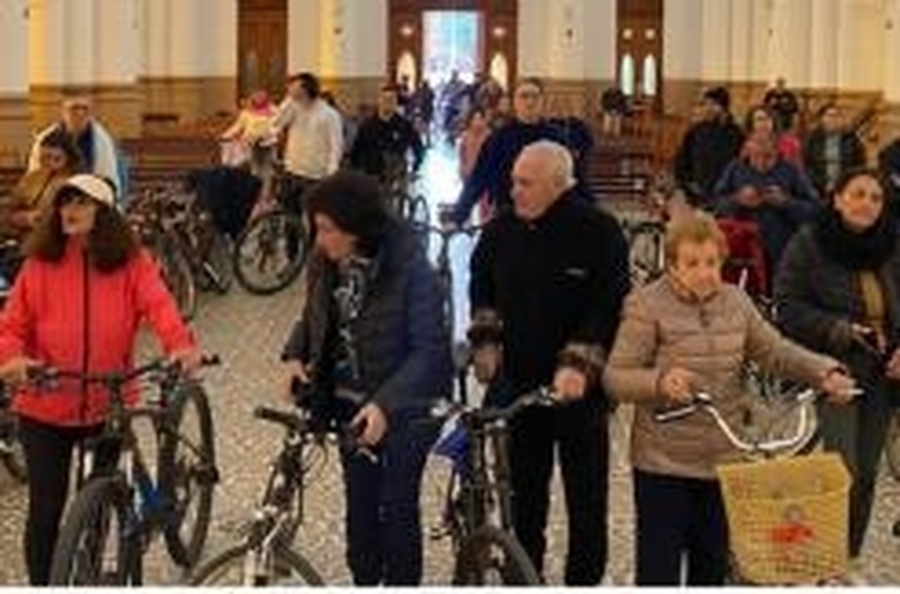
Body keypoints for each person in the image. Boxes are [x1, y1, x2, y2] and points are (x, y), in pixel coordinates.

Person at [602, 211, 857, 586]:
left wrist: (825, 372)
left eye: (712, 262)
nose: (705, 273)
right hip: (664, 462)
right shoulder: (647, 306)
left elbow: (775, 351)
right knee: (659, 572)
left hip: (725, 461)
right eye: (692, 263)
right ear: (672, 265)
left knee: (711, 567)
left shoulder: (736, 302)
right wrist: (659, 382)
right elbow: (616, 377)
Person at [0, 173, 200, 585]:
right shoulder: (39, 264)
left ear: (104, 212)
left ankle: (88, 574)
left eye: (81, 202)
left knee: (97, 504)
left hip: (106, 401)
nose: (69, 210)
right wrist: (13, 359)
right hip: (45, 401)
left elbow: (159, 305)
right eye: (64, 203)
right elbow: (11, 325)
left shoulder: (132, 263)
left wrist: (179, 344)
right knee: (45, 509)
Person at [467, 140, 630, 584]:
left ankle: (583, 582)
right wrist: (485, 340)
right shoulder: (502, 228)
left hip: (580, 392)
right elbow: (480, 283)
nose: (514, 190)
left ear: (559, 185)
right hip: (519, 386)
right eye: (514, 181)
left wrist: (579, 362)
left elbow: (609, 304)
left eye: (525, 183)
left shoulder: (599, 231)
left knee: (587, 501)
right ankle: (526, 577)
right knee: (524, 497)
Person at [280, 171, 452, 585]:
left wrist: (384, 404)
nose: (319, 240)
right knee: (360, 504)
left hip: (407, 407)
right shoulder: (326, 263)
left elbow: (429, 351)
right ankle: (365, 580)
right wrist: (293, 355)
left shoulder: (412, 270)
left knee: (396, 506)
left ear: (358, 227)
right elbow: (314, 316)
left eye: (327, 229)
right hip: (349, 402)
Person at [774, 168, 899, 579]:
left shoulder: (892, 242)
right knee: (840, 468)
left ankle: (844, 557)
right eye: (858, 194)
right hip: (834, 368)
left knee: (866, 472)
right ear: (838, 198)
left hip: (885, 372)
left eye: (875, 198)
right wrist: (841, 330)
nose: (867, 204)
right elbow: (788, 306)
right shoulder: (810, 243)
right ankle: (820, 556)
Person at [451, 78, 590, 225]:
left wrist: (591, 211)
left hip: (550, 215)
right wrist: (459, 214)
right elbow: (478, 178)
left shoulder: (557, 137)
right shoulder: (499, 138)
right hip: (509, 214)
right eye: (524, 96)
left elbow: (575, 176)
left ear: (543, 101)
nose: (530, 102)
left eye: (535, 96)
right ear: (514, 102)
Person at [714, 135, 820, 280]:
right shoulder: (734, 169)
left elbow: (814, 210)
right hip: (743, 251)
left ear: (777, 153)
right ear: (748, 151)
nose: (761, 163)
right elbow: (716, 205)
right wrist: (738, 200)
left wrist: (785, 202)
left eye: (767, 157)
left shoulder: (791, 170)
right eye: (755, 157)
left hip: (783, 249)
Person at [270, 72, 343, 212]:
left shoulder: (329, 114)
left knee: (311, 214)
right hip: (292, 171)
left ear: (306, 89)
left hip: (316, 175)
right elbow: (275, 123)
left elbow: (336, 146)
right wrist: (289, 100)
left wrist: (331, 175)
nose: (290, 90)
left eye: (294, 87)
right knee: (288, 213)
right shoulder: (294, 108)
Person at [27, 95, 123, 196]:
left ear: (91, 113)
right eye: (74, 108)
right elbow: (34, 176)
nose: (80, 113)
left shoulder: (103, 141)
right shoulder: (45, 138)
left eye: (85, 109)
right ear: (63, 112)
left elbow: (107, 177)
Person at [1, 129, 83, 240]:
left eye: (57, 159)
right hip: (23, 239)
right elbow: (9, 209)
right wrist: (23, 218)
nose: (50, 164)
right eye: (45, 158)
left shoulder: (78, 182)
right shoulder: (32, 178)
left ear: (69, 158)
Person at [673, 86, 745, 207]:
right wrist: (688, 185)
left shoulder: (736, 134)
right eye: (705, 105)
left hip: (725, 197)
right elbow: (681, 162)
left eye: (710, 104)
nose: (706, 109)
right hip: (697, 195)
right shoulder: (695, 131)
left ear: (722, 107)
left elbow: (741, 165)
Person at [348, 84, 425, 183]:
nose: (387, 102)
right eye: (384, 99)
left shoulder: (404, 125)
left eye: (391, 100)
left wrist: (415, 168)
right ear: (379, 101)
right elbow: (356, 152)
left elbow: (418, 147)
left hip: (396, 178)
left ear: (396, 103)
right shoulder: (367, 126)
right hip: (371, 178)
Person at [804, 103, 867, 199]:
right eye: (829, 115)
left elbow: (860, 164)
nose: (833, 119)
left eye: (837, 116)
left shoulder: (851, 139)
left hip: (845, 186)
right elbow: (807, 165)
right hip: (820, 187)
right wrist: (816, 185)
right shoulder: (813, 139)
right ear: (821, 119)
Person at [743, 104, 803, 170]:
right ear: (752, 124)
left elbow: (798, 170)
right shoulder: (746, 150)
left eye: (768, 118)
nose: (764, 123)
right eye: (760, 119)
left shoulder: (788, 144)